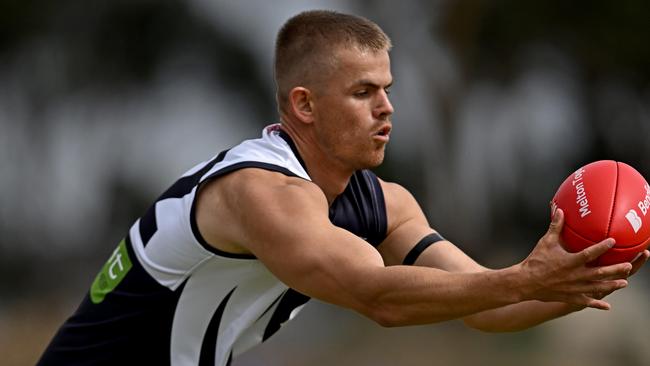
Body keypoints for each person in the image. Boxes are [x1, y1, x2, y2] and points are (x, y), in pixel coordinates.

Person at [38, 9, 648, 366]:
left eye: (387, 89)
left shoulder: (384, 204)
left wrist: (578, 279)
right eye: (363, 93)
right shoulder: (258, 191)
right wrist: (522, 278)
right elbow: (378, 298)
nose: (386, 109)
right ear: (303, 105)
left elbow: (489, 307)